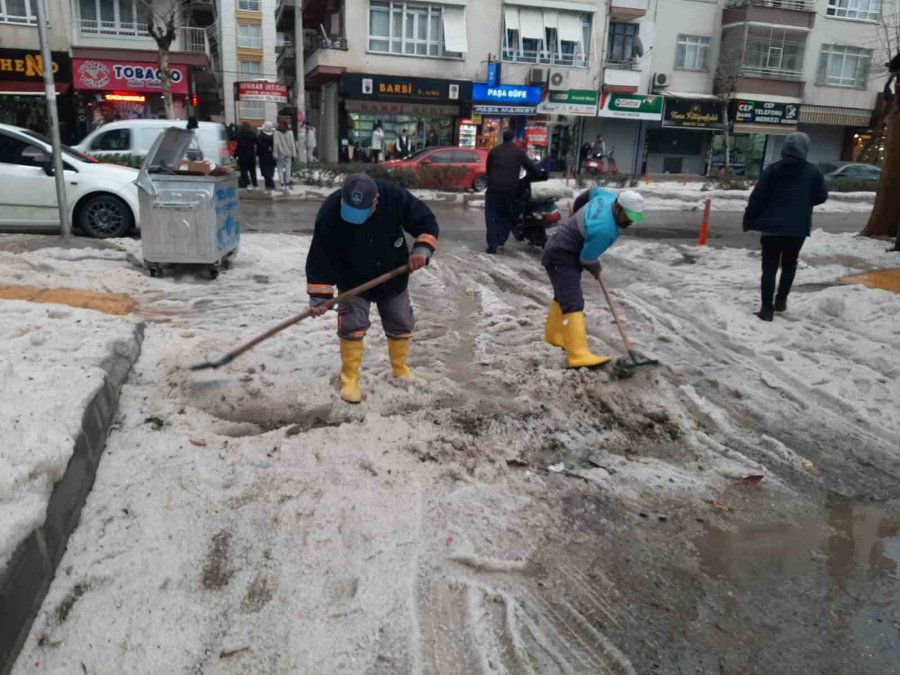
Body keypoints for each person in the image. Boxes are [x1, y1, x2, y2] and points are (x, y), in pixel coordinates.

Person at [305, 174, 440, 404]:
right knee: (351, 326)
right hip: (352, 281)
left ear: (376, 201)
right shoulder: (330, 212)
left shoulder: (394, 197)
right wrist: (319, 296)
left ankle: (400, 369)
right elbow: (320, 255)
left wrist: (422, 249)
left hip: (393, 274)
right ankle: (350, 379)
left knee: (400, 322)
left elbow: (425, 222)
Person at [542, 188, 646, 368]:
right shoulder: (604, 230)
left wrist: (576, 211)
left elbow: (589, 193)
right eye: (627, 217)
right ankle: (578, 355)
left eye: (633, 218)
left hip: (560, 247)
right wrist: (595, 267)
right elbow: (587, 259)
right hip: (562, 254)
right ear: (619, 208)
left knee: (563, 295)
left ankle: (554, 335)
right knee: (573, 302)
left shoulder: (607, 197)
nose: (629, 222)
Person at [743, 132, 828, 321]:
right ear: (805, 149)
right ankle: (781, 301)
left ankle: (766, 309)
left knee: (769, 267)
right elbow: (821, 196)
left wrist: (749, 219)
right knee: (790, 264)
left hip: (771, 228)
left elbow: (757, 197)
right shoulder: (812, 172)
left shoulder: (772, 170)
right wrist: (804, 202)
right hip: (797, 228)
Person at [484, 128, 544, 255]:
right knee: (506, 215)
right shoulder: (519, 152)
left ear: (503, 138)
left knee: (491, 216)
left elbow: (488, 170)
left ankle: (492, 245)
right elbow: (531, 167)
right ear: (513, 139)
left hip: (493, 188)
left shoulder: (494, 151)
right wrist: (540, 175)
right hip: (510, 190)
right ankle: (500, 239)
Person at [274, 120, 296, 191]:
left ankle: (282, 183)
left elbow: (275, 144)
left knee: (280, 168)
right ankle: (287, 182)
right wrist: (294, 153)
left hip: (280, 153)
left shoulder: (277, 133)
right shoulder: (290, 132)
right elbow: (292, 144)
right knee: (288, 168)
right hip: (288, 153)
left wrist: (275, 153)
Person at [235, 122, 258, 189]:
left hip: (242, 156)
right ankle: (255, 184)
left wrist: (235, 154)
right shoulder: (253, 134)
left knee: (244, 170)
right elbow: (259, 143)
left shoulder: (240, 135)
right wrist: (256, 152)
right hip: (251, 155)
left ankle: (248, 183)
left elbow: (238, 147)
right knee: (252, 171)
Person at [257, 121, 277, 192]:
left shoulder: (261, 136)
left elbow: (259, 147)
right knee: (270, 172)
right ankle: (269, 187)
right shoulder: (273, 136)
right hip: (271, 156)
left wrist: (257, 154)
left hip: (263, 156)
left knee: (266, 173)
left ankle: (271, 186)